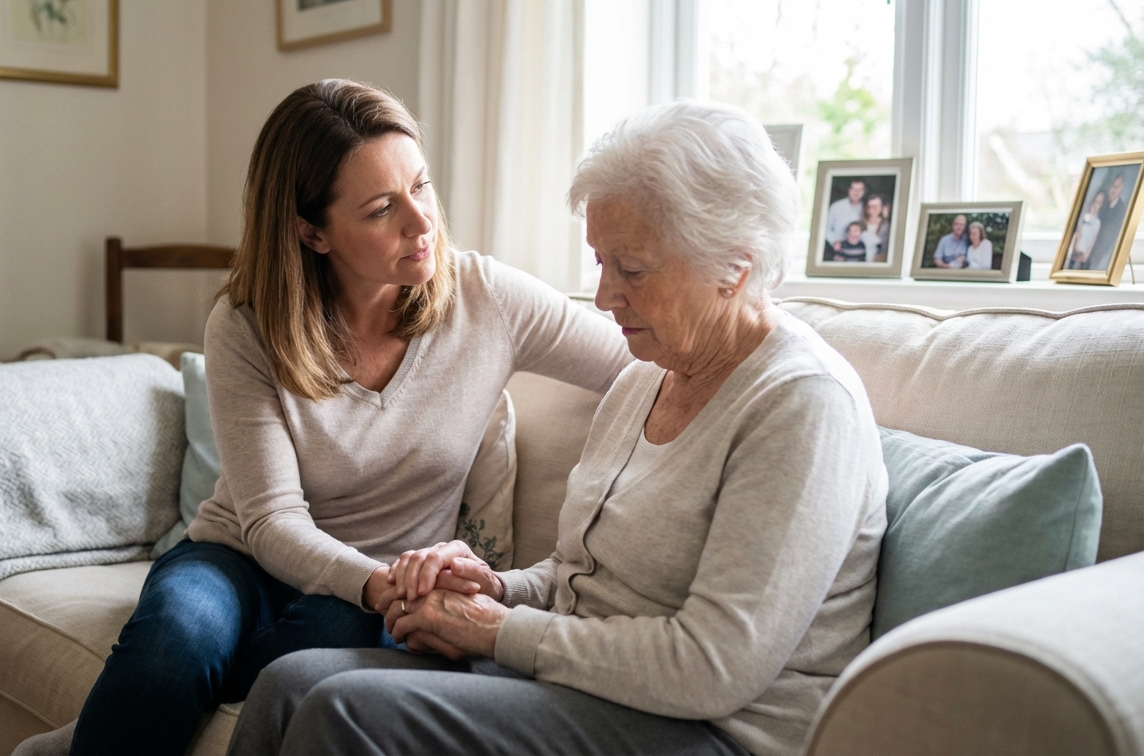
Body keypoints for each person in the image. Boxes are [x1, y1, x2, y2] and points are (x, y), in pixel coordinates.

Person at [228, 100, 888, 756]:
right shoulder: (645, 377)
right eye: (600, 263)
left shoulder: (802, 406)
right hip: (589, 687)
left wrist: (494, 629)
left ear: (734, 267)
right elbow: (581, 580)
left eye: (630, 269)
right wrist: (492, 589)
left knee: (346, 710)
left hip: (713, 730)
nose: (603, 298)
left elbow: (711, 669)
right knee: (288, 684)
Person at [50, 80, 632, 756]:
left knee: (319, 644)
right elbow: (271, 522)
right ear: (311, 232)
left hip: (364, 593)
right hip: (238, 561)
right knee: (173, 639)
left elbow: (637, 362)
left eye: (422, 187)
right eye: (383, 208)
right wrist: (376, 582)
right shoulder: (248, 325)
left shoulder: (488, 300)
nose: (421, 224)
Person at [1089, 171, 1133, 272]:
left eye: (1118, 187)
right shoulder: (1104, 204)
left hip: (1102, 253)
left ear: (1121, 189)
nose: (1114, 189)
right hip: (1092, 249)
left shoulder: (1121, 210)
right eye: (1113, 185)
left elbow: (1109, 238)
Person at [1068, 191, 1106, 270]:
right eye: (1095, 201)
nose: (1096, 205)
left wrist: (1086, 255)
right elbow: (1078, 232)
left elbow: (1092, 240)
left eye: (1099, 203)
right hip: (1076, 249)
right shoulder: (1084, 216)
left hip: (1083, 253)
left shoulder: (1097, 222)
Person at [825, 178, 866, 247]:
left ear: (863, 192)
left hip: (858, 248)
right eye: (853, 189)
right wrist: (834, 241)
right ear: (849, 190)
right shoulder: (836, 206)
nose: (856, 192)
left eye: (859, 190)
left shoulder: (866, 208)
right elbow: (825, 228)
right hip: (836, 246)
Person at [859, 195, 889, 262]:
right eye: (870, 206)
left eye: (876, 206)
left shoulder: (887, 225)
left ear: (882, 208)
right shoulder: (860, 224)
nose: (873, 209)